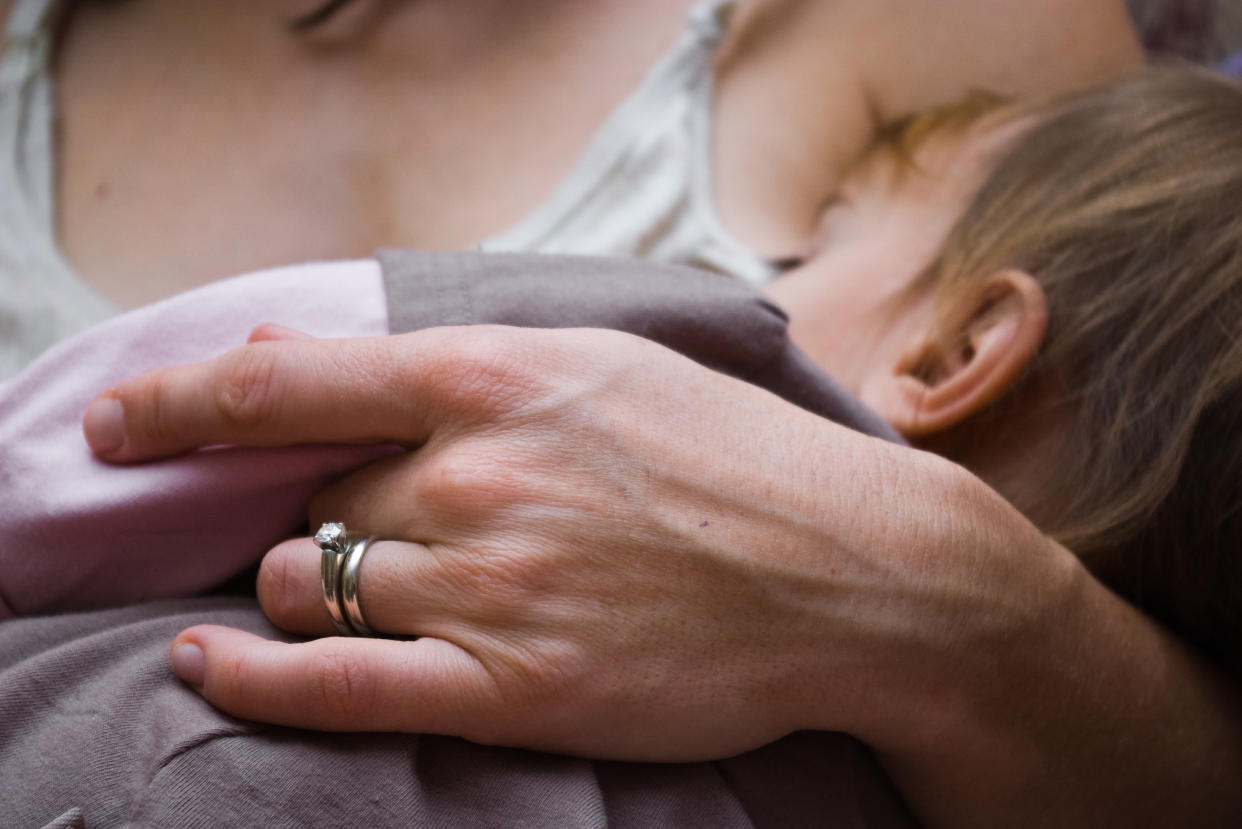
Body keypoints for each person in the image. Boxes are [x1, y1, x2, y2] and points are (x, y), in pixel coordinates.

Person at [2, 0, 1240, 826]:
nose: (770, 277)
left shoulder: (692, 332)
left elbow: (160, 428)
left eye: (819, 234)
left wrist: (938, 595)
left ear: (967, 348)